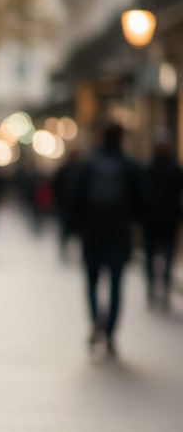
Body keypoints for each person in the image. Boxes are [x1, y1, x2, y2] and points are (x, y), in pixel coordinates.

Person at [71, 122, 142, 355]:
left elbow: (75, 199)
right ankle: (110, 332)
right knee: (116, 284)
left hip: (92, 233)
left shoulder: (89, 165)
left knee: (92, 282)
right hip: (119, 233)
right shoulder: (129, 165)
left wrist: (76, 228)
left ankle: (96, 320)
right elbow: (142, 201)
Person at [142, 129, 183, 310]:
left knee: (151, 257)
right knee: (167, 256)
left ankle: (152, 289)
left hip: (151, 220)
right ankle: (163, 289)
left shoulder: (147, 169)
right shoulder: (175, 169)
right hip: (168, 219)